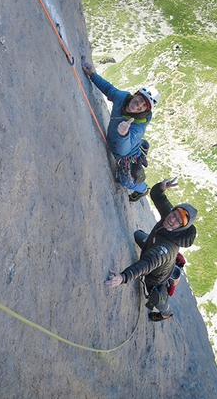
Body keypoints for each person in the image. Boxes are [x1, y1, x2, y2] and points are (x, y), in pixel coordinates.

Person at [104, 177, 197, 322]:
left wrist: (123, 277)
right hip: (151, 246)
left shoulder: (169, 248)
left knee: (159, 301)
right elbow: (157, 197)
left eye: (178, 221)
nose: (172, 220)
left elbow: (147, 264)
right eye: (174, 214)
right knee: (137, 235)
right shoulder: (169, 216)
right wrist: (161, 187)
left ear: (181, 227)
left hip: (155, 275)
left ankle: (166, 314)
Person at [82, 60, 159, 202]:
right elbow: (109, 89)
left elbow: (122, 152)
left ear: (145, 110)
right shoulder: (123, 97)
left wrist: (124, 134)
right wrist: (92, 74)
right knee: (134, 144)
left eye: (143, 106)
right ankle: (142, 146)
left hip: (125, 153)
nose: (138, 105)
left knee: (125, 182)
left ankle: (142, 190)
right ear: (135, 94)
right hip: (126, 142)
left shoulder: (138, 127)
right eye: (140, 99)